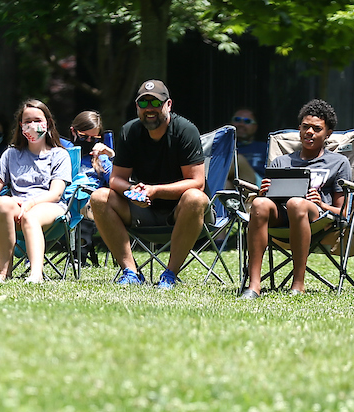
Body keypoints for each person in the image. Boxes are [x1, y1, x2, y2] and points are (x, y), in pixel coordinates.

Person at [89, 79, 207, 289]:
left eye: (156, 103)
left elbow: (197, 183)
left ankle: (170, 274)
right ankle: (131, 272)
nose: (149, 109)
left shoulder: (185, 131)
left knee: (196, 198)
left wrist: (155, 191)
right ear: (137, 107)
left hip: (179, 211)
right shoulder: (129, 131)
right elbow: (116, 179)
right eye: (143, 104)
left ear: (168, 105)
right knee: (99, 197)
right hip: (142, 209)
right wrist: (132, 191)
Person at [239, 99, 353, 299]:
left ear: (328, 134)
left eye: (316, 129)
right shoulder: (282, 161)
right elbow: (268, 204)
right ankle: (254, 285)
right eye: (305, 127)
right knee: (259, 203)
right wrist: (263, 193)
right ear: (299, 128)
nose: (309, 132)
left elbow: (343, 213)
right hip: (282, 214)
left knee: (296, 203)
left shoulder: (339, 163)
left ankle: (298, 283)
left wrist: (320, 203)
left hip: (318, 217)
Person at [0, 99, 72, 283]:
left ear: (47, 123)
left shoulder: (59, 154)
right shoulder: (11, 154)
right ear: (21, 126)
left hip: (50, 206)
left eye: (37, 120)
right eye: (28, 122)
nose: (33, 126)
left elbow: (55, 193)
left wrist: (30, 203)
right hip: (18, 206)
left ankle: (35, 274)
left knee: (30, 216)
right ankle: (4, 273)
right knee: (4, 203)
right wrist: (9, 201)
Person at [66, 110, 114, 268]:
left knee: (86, 201)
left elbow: (115, 182)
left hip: (92, 207)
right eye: (83, 136)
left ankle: (79, 259)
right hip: (65, 204)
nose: (88, 141)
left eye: (93, 138)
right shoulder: (63, 154)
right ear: (73, 131)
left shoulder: (101, 159)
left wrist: (109, 155)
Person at [231, 107, 268, 186]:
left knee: (238, 159)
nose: (241, 124)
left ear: (255, 127)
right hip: (234, 184)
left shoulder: (264, 147)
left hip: (258, 186)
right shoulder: (225, 147)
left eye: (247, 121)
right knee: (225, 185)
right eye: (237, 120)